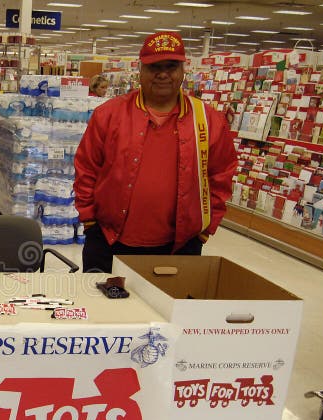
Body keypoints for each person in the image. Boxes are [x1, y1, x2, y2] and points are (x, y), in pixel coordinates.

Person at [74, 32, 237, 274]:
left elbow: (221, 176)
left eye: (171, 66)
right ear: (141, 71)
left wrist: (203, 231)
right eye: (154, 67)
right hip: (107, 240)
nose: (162, 74)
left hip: (180, 247)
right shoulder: (109, 115)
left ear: (183, 70)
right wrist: (90, 222)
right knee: (107, 310)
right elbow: (86, 169)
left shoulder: (208, 120)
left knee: (167, 311)